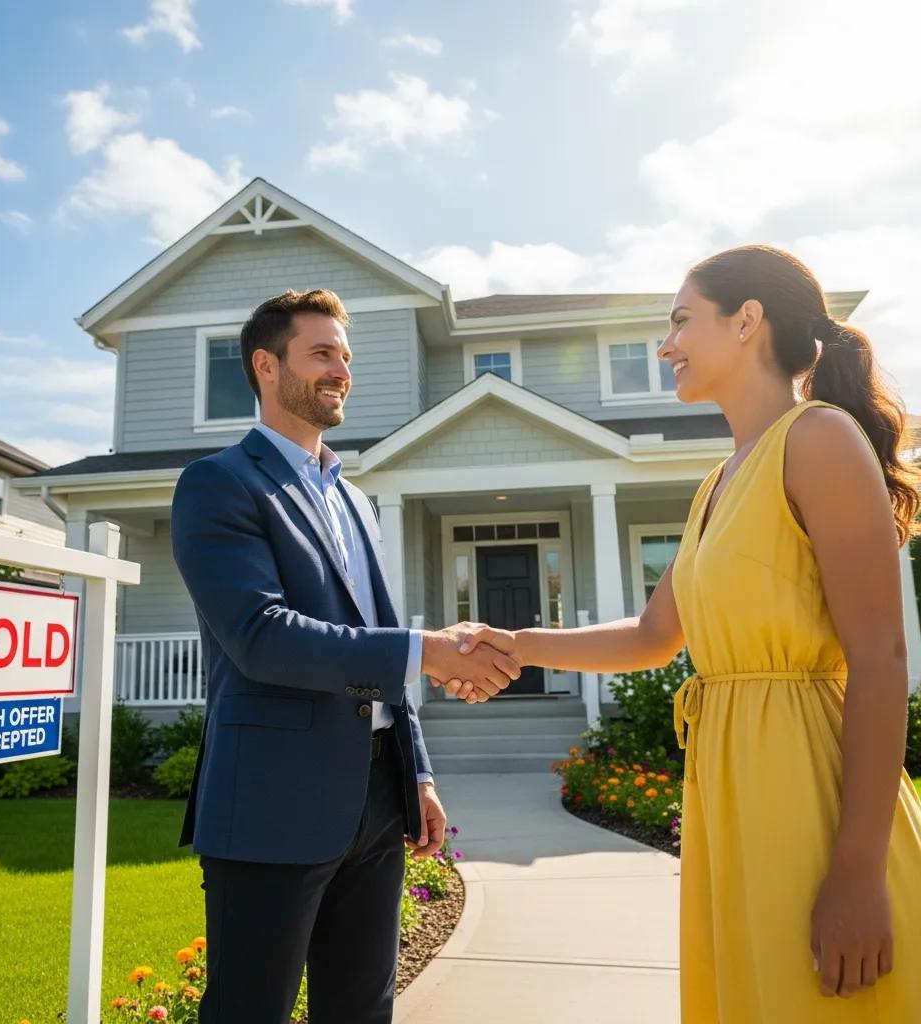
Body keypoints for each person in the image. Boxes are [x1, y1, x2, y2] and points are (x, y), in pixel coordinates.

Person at [453, 246, 921, 1021]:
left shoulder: (820, 439)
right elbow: (651, 634)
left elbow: (880, 655)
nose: (666, 345)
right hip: (730, 784)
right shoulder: (718, 481)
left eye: (679, 321)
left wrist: (859, 873)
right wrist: (517, 643)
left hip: (810, 786)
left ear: (747, 322)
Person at [170, 287, 519, 1024]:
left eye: (346, 356)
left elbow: (375, 629)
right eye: (321, 353)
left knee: (362, 1009)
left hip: (377, 798)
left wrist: (415, 770)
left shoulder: (354, 498)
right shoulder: (218, 485)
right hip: (271, 800)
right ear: (266, 366)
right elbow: (262, 636)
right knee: (248, 1010)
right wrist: (428, 651)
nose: (341, 371)